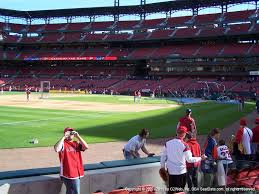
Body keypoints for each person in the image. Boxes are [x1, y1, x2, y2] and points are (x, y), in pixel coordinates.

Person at [160, 126, 205, 193]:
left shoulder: (168, 143)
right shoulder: (185, 145)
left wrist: (162, 167)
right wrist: (200, 158)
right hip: (181, 172)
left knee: (171, 190)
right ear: (184, 134)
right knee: (179, 191)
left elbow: (163, 157)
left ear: (176, 133)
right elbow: (189, 160)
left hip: (170, 171)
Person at [54, 127, 89, 194]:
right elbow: (57, 149)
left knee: (71, 191)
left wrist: (78, 136)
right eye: (69, 133)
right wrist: (64, 137)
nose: (71, 134)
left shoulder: (76, 143)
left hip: (76, 173)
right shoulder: (63, 143)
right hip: (68, 173)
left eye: (72, 132)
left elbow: (86, 147)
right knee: (75, 192)